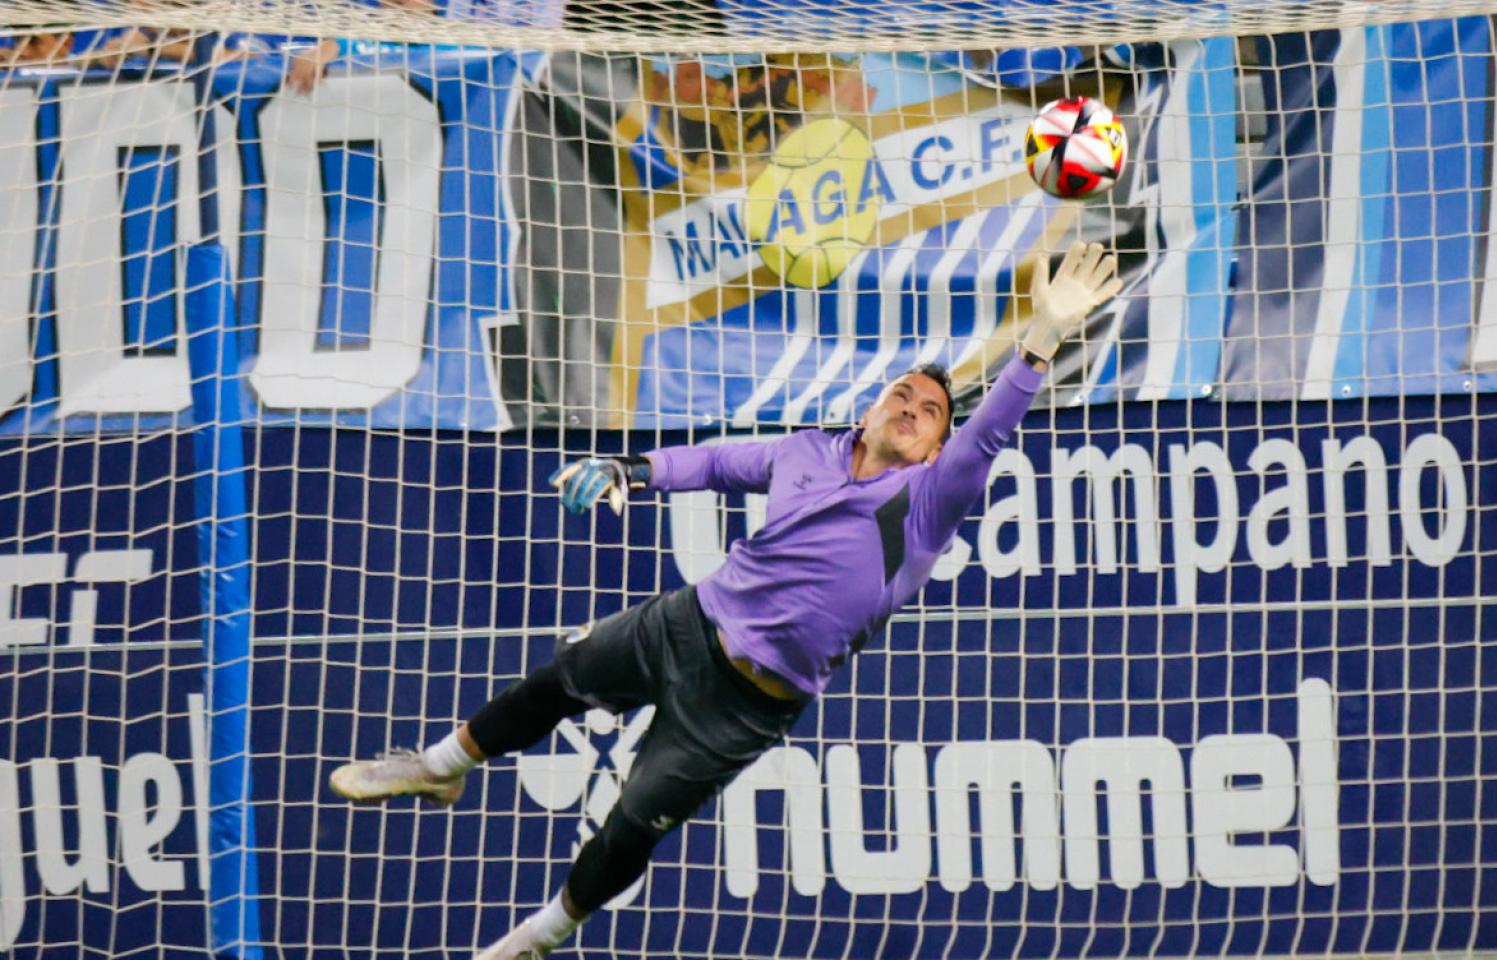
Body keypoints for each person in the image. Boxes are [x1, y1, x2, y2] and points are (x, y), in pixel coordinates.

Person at [327, 241, 1124, 959]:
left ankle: (539, 938)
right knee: (556, 681)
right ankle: (436, 767)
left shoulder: (927, 504)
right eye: (902, 396)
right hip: (684, 623)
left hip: (744, 705)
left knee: (630, 826)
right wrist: (627, 470)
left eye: (927, 414)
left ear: (935, 446)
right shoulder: (807, 450)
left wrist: (1041, 336)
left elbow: (987, 434)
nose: (911, 412)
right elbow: (710, 462)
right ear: (874, 403)